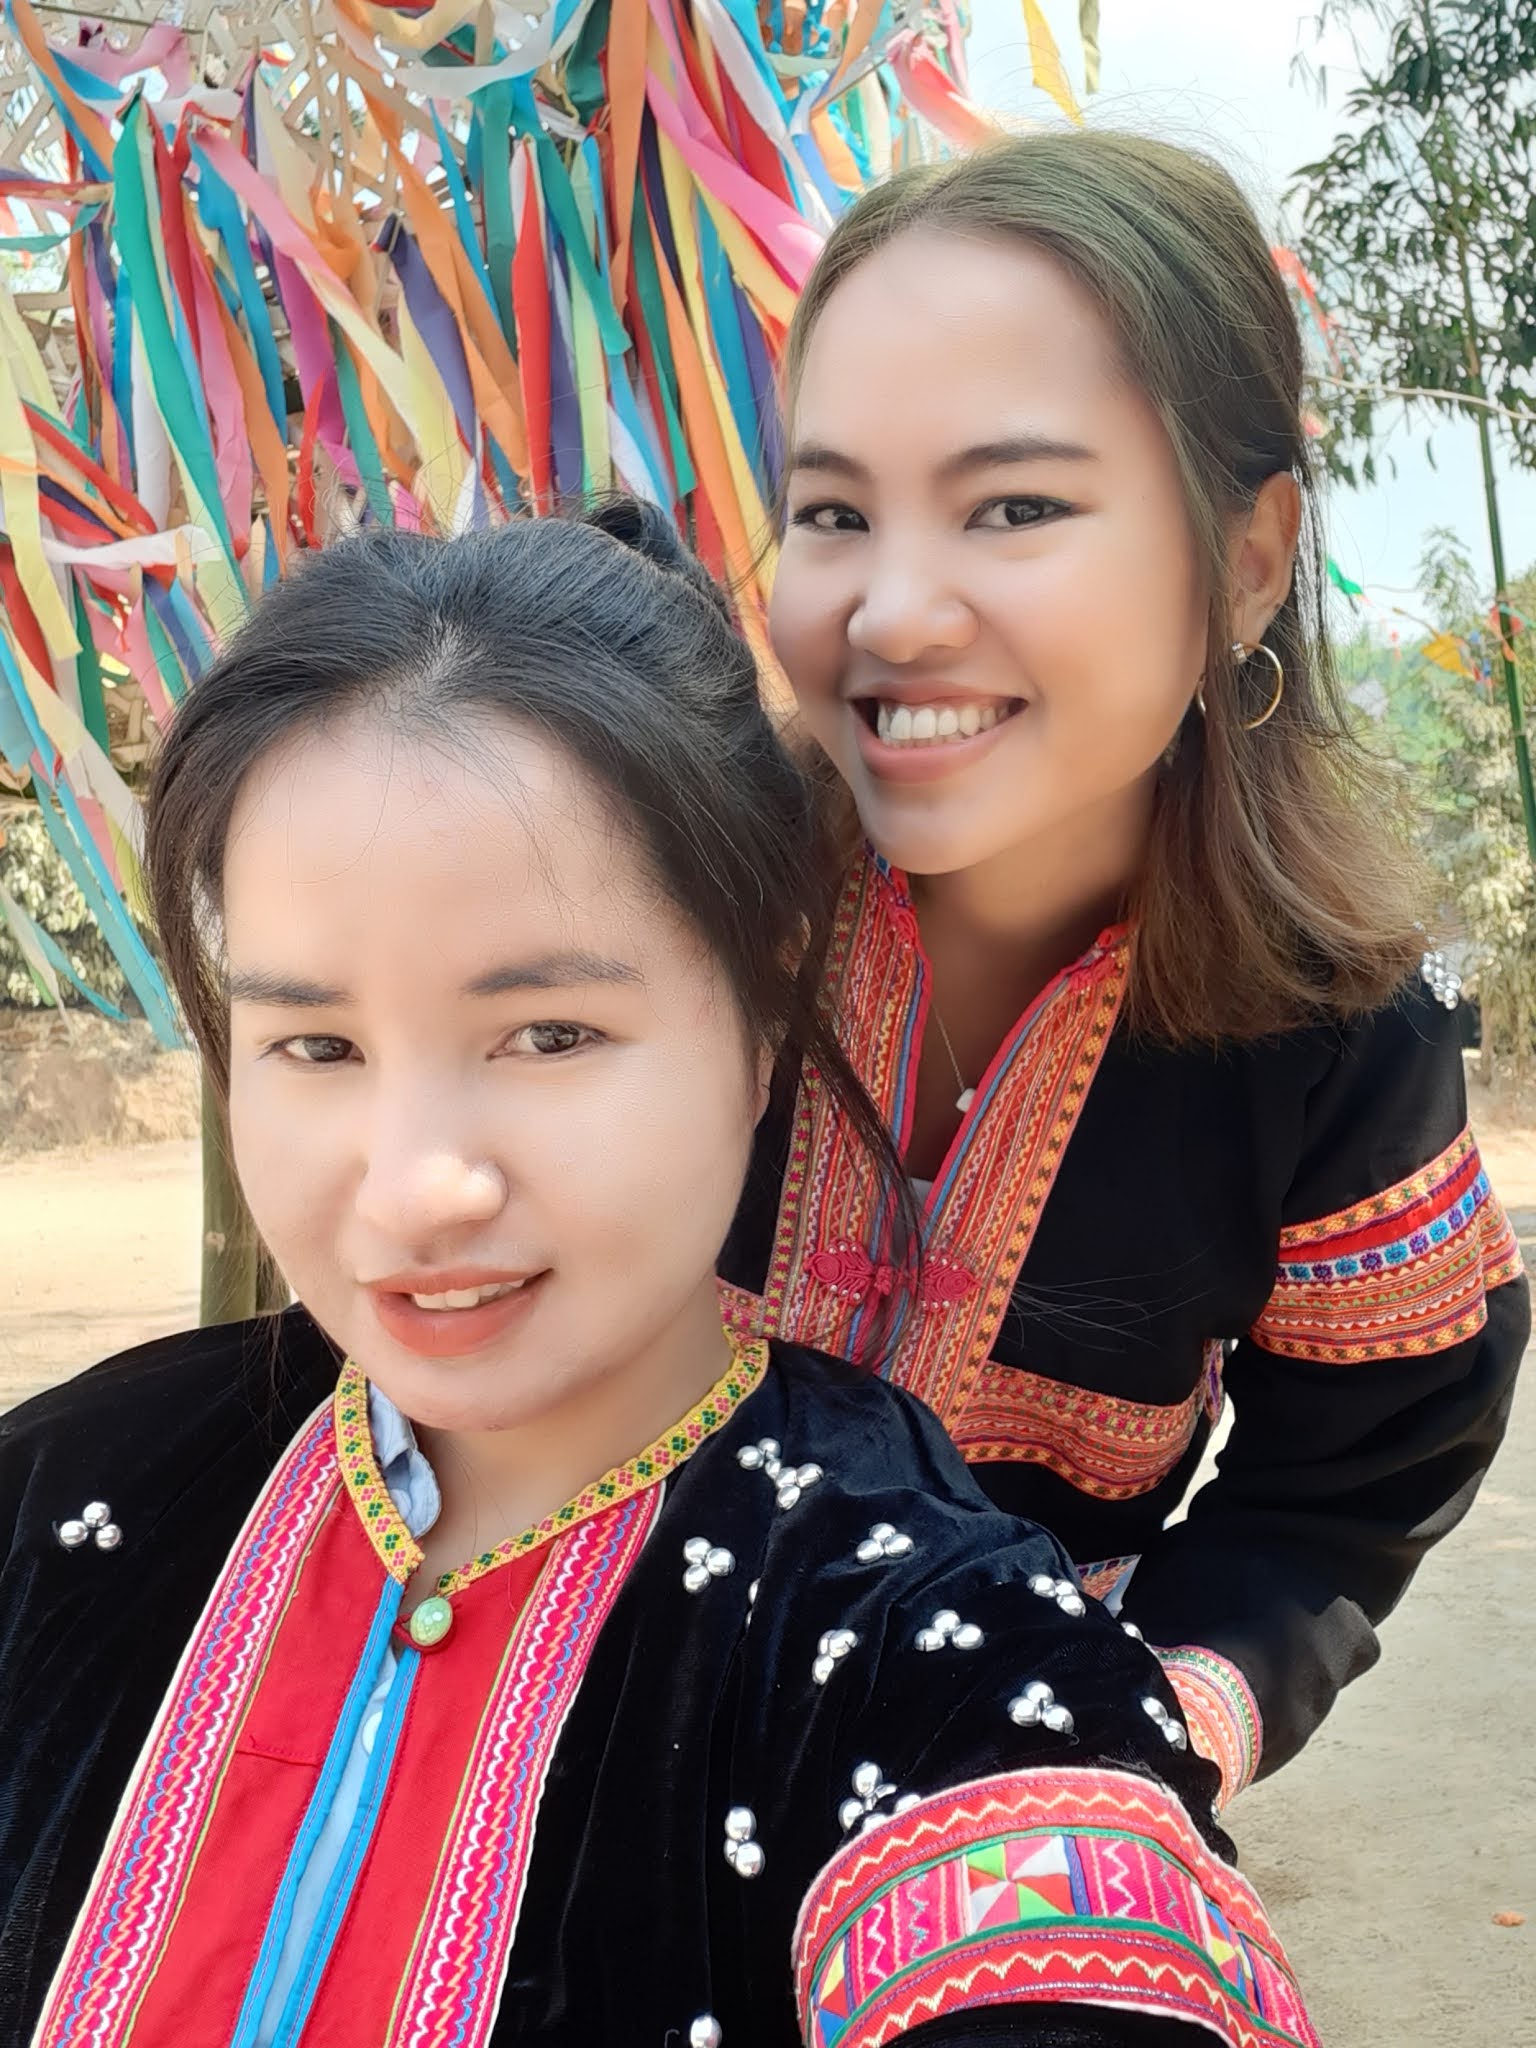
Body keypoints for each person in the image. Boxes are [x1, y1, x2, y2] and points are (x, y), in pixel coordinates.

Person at [0, 505, 1317, 2048]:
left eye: (548, 1034)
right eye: (317, 1045)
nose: (417, 1187)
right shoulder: (58, 1491)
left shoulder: (924, 1641)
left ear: (764, 1003)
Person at [720, 130, 1529, 1811]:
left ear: (1251, 559)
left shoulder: (1339, 1039)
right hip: (550, 1763)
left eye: (1015, 506)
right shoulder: (662, 890)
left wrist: (1131, 1738)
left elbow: (1353, 1479)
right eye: (834, 512)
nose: (892, 613)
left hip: (1001, 1819)